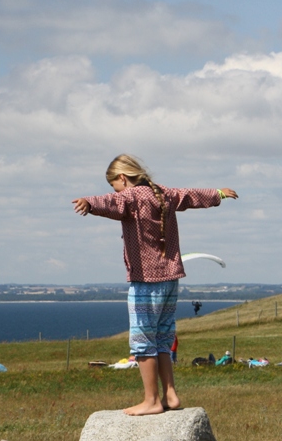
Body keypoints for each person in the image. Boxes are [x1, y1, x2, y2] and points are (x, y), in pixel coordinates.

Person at [72, 153, 237, 415]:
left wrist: (89, 203)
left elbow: (111, 202)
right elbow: (192, 196)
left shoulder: (131, 196)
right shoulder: (164, 193)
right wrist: (218, 193)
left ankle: (151, 400)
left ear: (123, 178)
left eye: (113, 184)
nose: (113, 190)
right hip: (171, 279)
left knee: (142, 340)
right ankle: (170, 396)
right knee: (162, 338)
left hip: (146, 281)